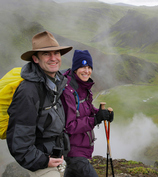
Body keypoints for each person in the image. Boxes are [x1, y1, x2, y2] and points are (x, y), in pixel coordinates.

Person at [6, 31, 73, 177]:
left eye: (56, 53)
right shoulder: (28, 91)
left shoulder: (55, 84)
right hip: (42, 163)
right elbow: (19, 142)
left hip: (55, 157)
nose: (53, 58)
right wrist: (44, 161)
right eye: (46, 54)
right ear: (35, 59)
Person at [60, 50, 114, 177]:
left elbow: (86, 110)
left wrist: (102, 114)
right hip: (73, 151)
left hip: (80, 149)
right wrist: (95, 120)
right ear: (75, 68)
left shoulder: (83, 87)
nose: (87, 71)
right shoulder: (68, 91)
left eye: (89, 67)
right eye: (83, 67)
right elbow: (70, 126)